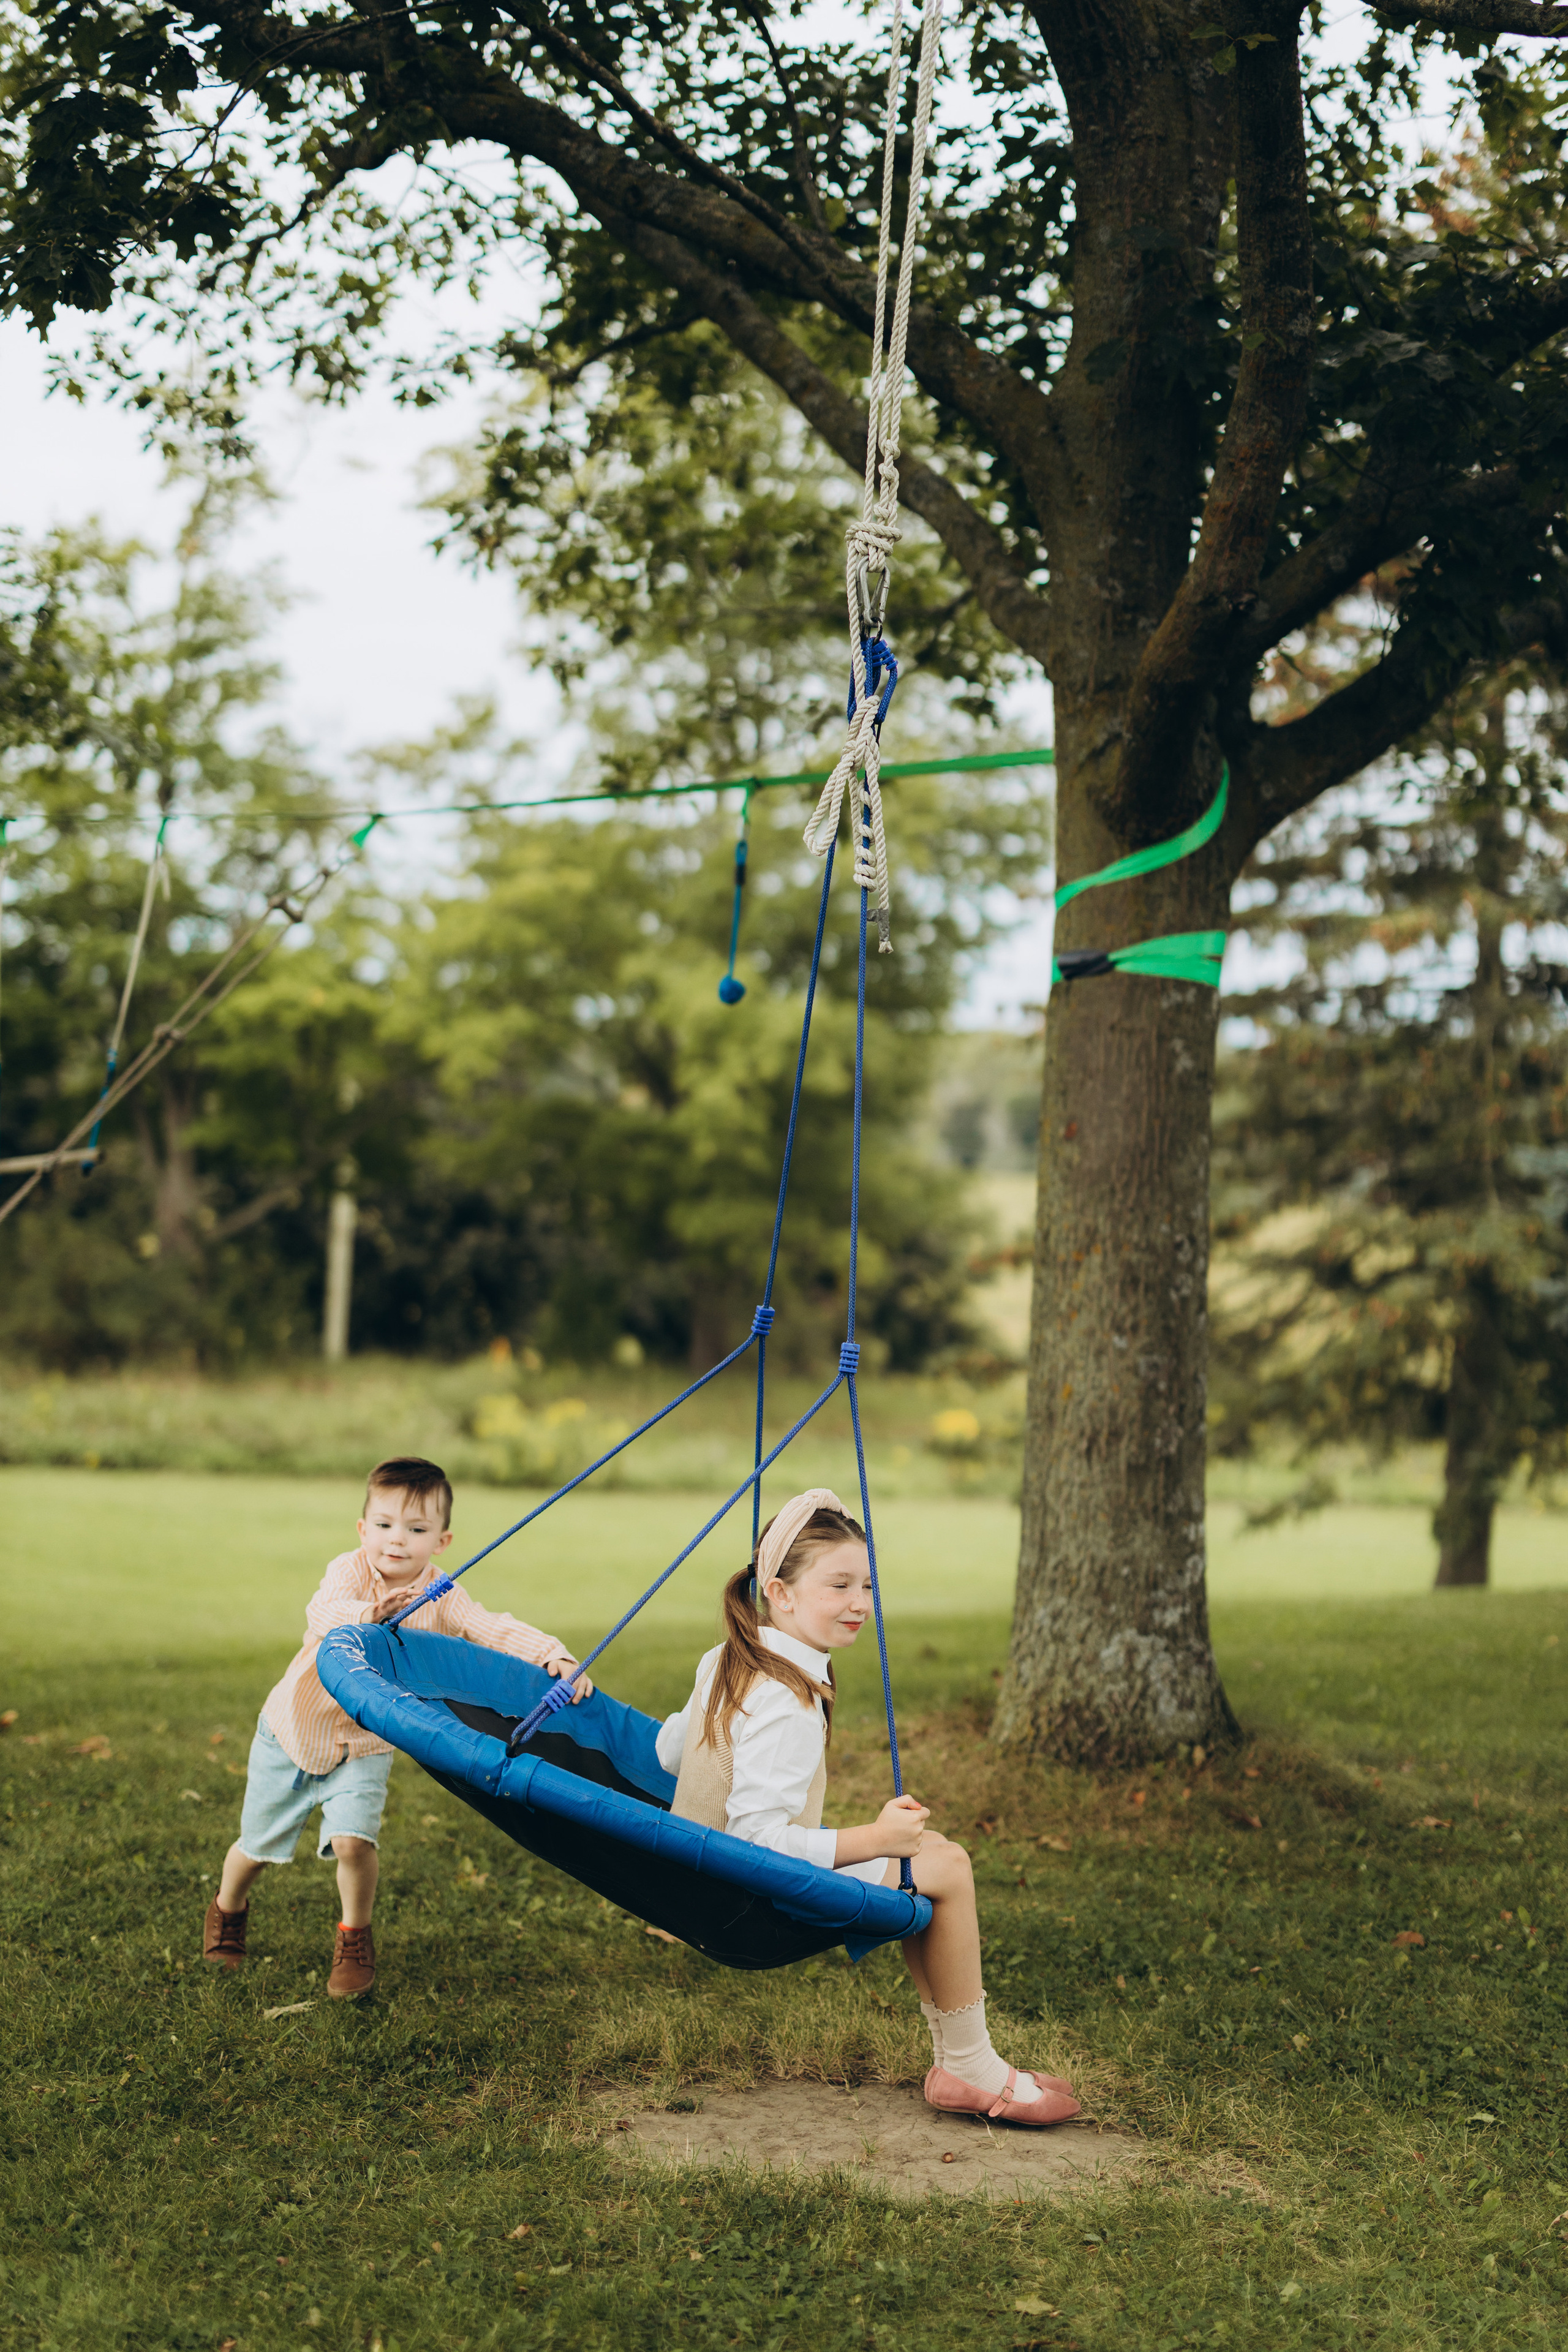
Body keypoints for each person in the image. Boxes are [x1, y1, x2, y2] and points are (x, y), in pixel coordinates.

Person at [656, 1487, 1081, 2124]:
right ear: (780, 1592)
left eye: (866, 1585)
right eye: (839, 1586)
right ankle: (970, 2065)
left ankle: (958, 2063)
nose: (859, 1604)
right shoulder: (786, 1699)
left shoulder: (725, 1659)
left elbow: (669, 1751)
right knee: (947, 1867)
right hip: (739, 1895)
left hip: (699, 1872)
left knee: (932, 1857)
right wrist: (875, 1839)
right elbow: (758, 1844)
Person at [201, 1454, 589, 1999]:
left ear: (442, 1541)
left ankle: (353, 1938)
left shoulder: (442, 1594)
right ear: (363, 1529)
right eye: (383, 1526)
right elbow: (322, 1612)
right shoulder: (350, 1572)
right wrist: (371, 1613)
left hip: (365, 1743)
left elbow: (489, 1628)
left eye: (416, 1529)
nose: (396, 1541)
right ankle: (229, 1908)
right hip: (294, 1729)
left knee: (355, 1844)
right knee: (257, 1847)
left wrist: (555, 1655)